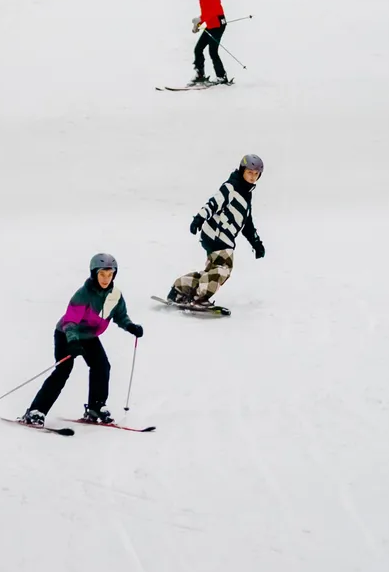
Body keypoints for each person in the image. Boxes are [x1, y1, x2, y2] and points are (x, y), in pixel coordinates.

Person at [19, 254, 142, 428]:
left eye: (110, 274)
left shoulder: (115, 295)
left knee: (102, 366)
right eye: (102, 274)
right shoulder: (83, 294)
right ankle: (36, 411)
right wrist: (73, 342)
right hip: (66, 334)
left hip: (89, 337)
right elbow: (70, 321)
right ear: (94, 274)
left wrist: (130, 326)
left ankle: (96, 407)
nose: (106, 279)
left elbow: (120, 316)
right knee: (63, 371)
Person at [166, 155, 266, 307]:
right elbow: (214, 203)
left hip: (221, 237)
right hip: (217, 236)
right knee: (223, 269)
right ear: (242, 171)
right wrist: (199, 218)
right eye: (249, 172)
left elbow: (247, 223)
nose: (252, 177)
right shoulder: (231, 187)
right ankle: (199, 297)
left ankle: (179, 289)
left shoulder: (246, 194)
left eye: (256, 174)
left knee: (212, 271)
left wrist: (256, 243)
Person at [192, 0, 228, 85]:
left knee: (213, 52)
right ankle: (200, 75)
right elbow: (207, 12)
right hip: (211, 24)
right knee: (198, 49)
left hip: (218, 25)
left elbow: (212, 12)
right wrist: (199, 24)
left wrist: (200, 20)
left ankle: (222, 77)